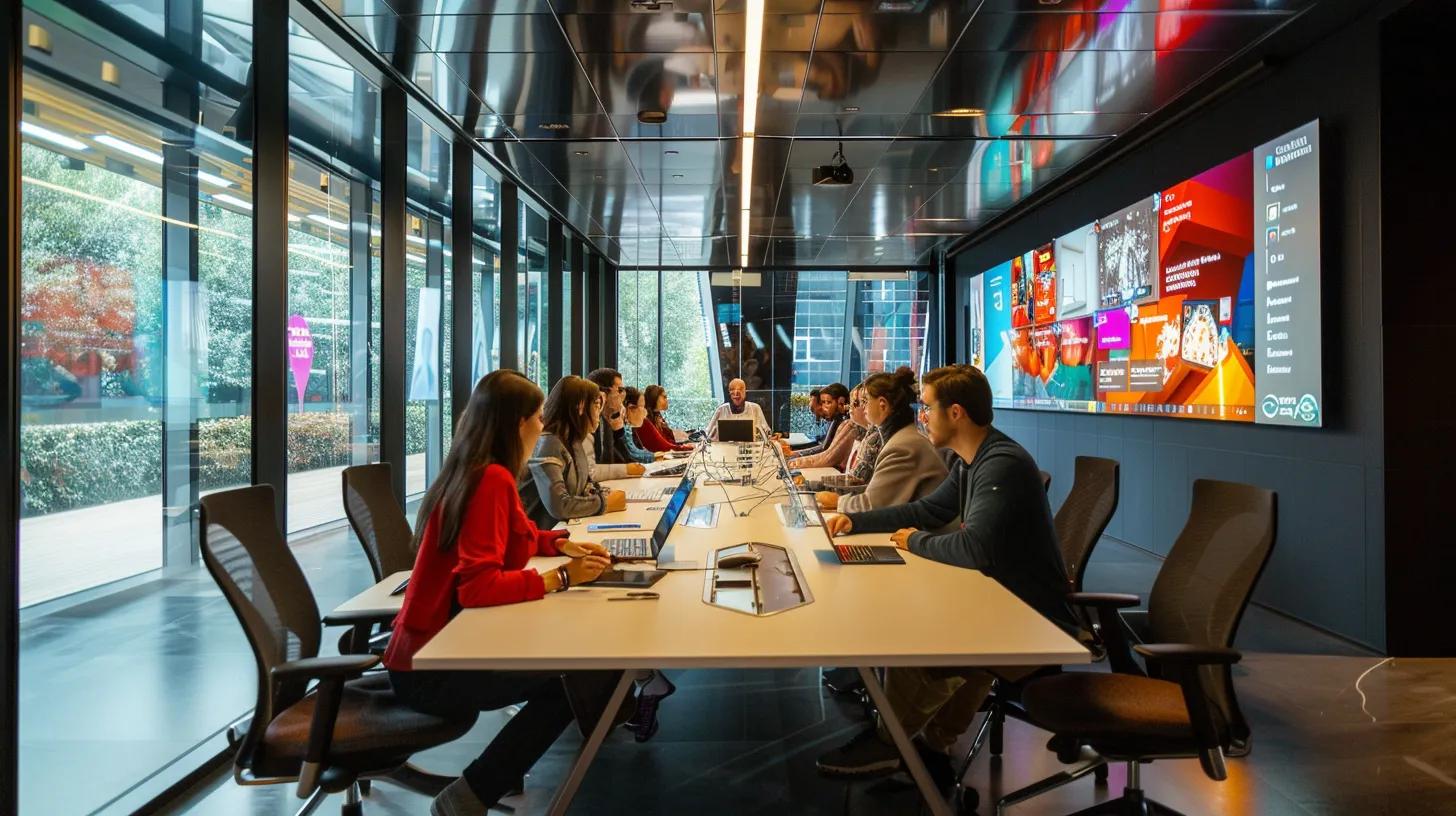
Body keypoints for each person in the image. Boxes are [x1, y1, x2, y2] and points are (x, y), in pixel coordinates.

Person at [815, 364, 1077, 790]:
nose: (922, 416)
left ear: (955, 412)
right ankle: (929, 747)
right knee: (927, 637)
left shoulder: (1001, 463)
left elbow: (974, 547)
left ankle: (891, 743)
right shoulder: (972, 459)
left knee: (915, 642)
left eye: (928, 408)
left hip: (1029, 616)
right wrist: (854, 521)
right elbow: (929, 511)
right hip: (996, 597)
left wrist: (913, 542)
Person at [384, 370, 620, 816]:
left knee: (574, 665)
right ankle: (471, 794)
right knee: (570, 678)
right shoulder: (489, 478)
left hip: (431, 649)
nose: (542, 426)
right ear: (518, 424)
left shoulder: (477, 470)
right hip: (432, 665)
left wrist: (559, 543)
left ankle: (501, 775)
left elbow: (519, 534)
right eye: (536, 418)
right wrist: (561, 577)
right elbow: (478, 588)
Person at [519, 376, 642, 530]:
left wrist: (603, 493)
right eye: (597, 405)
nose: (599, 413)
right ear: (581, 406)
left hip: (566, 531)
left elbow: (585, 484)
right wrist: (604, 503)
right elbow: (560, 506)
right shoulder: (549, 443)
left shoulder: (575, 441)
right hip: (544, 541)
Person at [819, 368, 947, 515]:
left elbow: (874, 503)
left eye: (865, 401)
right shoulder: (903, 437)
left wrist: (837, 501)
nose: (862, 407)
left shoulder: (903, 446)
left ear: (882, 404)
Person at [787, 383, 857, 471]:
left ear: (841, 402)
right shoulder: (839, 420)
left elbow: (827, 453)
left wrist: (794, 460)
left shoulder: (847, 423)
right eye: (823, 402)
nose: (823, 408)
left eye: (828, 402)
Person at [586, 368, 633, 465]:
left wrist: (618, 432)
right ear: (603, 393)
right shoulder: (588, 423)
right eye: (620, 390)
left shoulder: (606, 420)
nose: (623, 396)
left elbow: (624, 460)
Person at [705, 377, 772, 441]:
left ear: (745, 392)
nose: (736, 394)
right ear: (729, 394)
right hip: (725, 449)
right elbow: (708, 432)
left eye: (740, 390)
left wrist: (771, 436)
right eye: (733, 391)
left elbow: (766, 432)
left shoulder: (755, 408)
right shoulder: (721, 410)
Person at [641, 385, 693, 451]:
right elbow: (662, 444)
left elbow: (668, 438)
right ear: (654, 397)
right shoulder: (646, 419)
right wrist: (682, 447)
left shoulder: (657, 415)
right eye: (664, 397)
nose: (667, 400)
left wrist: (682, 445)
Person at [620, 387, 660, 464]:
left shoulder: (629, 428)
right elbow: (632, 455)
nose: (646, 412)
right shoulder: (621, 429)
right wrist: (661, 456)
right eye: (643, 406)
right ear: (630, 408)